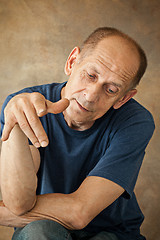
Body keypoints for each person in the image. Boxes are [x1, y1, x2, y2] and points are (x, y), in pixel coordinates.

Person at [0, 27, 155, 240]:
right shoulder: (21, 106)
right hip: (41, 227)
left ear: (123, 99)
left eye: (111, 90)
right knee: (39, 233)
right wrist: (17, 125)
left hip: (111, 232)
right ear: (72, 62)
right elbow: (18, 203)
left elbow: (79, 213)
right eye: (90, 75)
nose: (91, 96)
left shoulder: (135, 121)